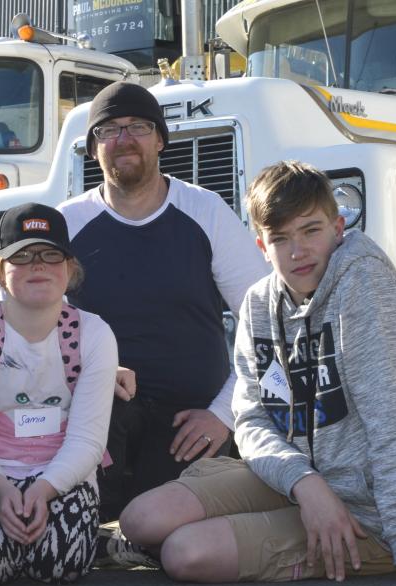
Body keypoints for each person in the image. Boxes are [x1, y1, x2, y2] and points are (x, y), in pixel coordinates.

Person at [119, 160, 396, 584]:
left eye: (311, 230)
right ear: (262, 246)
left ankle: (374, 548)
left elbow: (392, 419)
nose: (297, 251)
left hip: (363, 513)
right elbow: (252, 419)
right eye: (280, 238)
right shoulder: (259, 304)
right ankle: (266, 520)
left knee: (185, 554)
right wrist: (305, 484)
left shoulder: (363, 287)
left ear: (338, 228)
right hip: (291, 481)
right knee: (140, 519)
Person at [57, 82, 269, 528]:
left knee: (159, 528)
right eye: (109, 130)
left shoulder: (205, 211)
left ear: (160, 139)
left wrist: (223, 414)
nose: (123, 140)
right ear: (93, 148)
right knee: (94, 524)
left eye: (137, 126)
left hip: (192, 423)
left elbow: (268, 322)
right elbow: (13, 320)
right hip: (98, 415)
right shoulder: (68, 223)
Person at [0, 203, 118, 586]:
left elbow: (89, 440)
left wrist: (43, 489)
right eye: (21, 256)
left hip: (62, 476)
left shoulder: (96, 334)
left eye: (50, 254)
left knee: (60, 564)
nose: (38, 265)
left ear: (70, 268)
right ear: (0, 272)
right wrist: (2, 490)